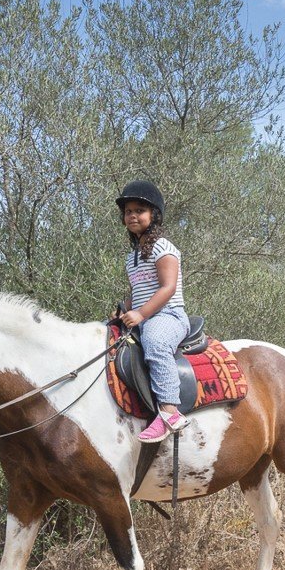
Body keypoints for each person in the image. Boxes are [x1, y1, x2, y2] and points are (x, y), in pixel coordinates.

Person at [116, 180, 191, 441]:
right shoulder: (131, 257)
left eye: (139, 210)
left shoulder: (163, 247)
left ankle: (170, 412)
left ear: (154, 215)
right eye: (128, 211)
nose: (133, 215)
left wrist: (140, 314)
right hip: (146, 316)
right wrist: (124, 309)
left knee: (155, 343)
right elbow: (138, 291)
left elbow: (167, 288)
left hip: (168, 315)